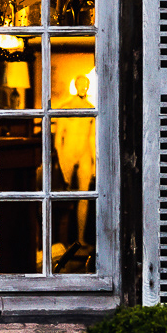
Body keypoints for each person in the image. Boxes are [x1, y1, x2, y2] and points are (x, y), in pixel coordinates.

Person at [54, 75, 96, 245]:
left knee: (84, 197)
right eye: (80, 85)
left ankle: (80, 238)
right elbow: (58, 140)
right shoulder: (66, 107)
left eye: (85, 85)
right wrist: (61, 161)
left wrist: (95, 162)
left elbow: (92, 138)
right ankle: (59, 241)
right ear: (75, 85)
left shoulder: (91, 109)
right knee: (64, 197)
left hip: (84, 152)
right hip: (68, 153)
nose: (83, 88)